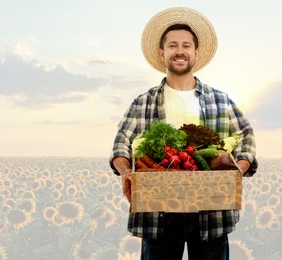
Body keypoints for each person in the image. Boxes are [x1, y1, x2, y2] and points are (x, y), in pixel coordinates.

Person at [109, 7, 258, 260]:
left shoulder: (220, 100)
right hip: (158, 212)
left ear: (196, 52)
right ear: (162, 53)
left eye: (186, 45)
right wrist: (126, 172)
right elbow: (121, 143)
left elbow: (245, 137)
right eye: (173, 45)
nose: (180, 51)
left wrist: (235, 171)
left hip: (211, 212)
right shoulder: (142, 103)